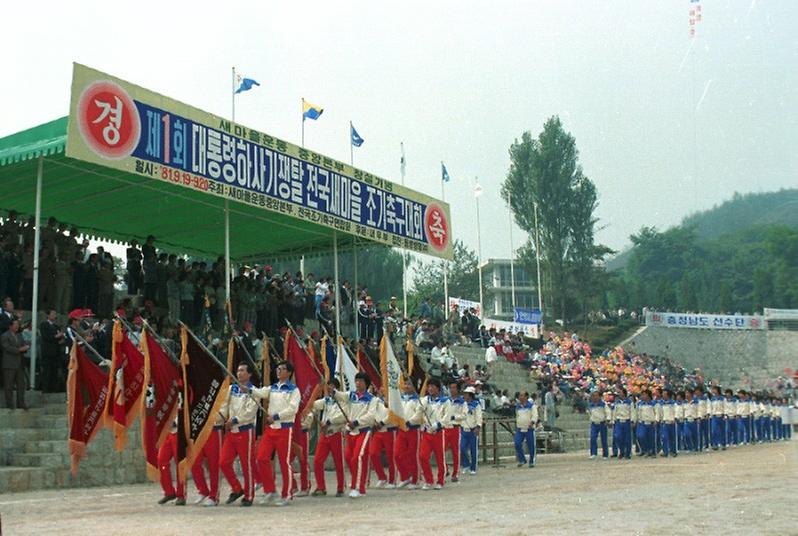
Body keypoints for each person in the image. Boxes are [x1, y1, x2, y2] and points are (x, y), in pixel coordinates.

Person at [253, 361, 301, 506]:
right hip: (271, 429)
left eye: (282, 369)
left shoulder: (294, 390)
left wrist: (276, 416)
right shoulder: (272, 388)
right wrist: (249, 389)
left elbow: (293, 409)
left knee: (284, 462)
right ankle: (270, 490)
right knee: (261, 457)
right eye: (278, 368)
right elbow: (260, 392)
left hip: (285, 428)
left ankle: (287, 494)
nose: (278, 371)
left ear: (289, 373)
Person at [219, 363, 261, 507]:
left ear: (249, 374)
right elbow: (224, 406)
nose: (239, 373)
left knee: (246, 465)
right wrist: (221, 418)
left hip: (245, 430)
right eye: (238, 370)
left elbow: (250, 412)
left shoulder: (254, 392)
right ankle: (237, 488)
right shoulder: (231, 389)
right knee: (223, 462)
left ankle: (249, 496)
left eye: (243, 370)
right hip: (231, 432)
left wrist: (235, 420)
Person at [334, 371, 379, 498]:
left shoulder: (372, 399)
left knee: (357, 458)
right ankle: (361, 483)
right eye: (356, 381)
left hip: (363, 431)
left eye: (361, 381)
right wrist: (333, 391)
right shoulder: (351, 395)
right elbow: (340, 396)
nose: (358, 383)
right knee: (349, 457)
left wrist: (357, 422)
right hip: (351, 432)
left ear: (366, 383)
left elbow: (370, 416)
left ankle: (356, 486)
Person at [307, 379, 346, 497]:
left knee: (338, 462)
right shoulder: (326, 400)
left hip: (336, 433)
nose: (329, 388)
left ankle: (341, 487)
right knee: (318, 461)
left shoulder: (343, 401)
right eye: (328, 386)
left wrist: (329, 422)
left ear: (337, 388)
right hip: (325, 435)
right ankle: (321, 487)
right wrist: (309, 399)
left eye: (332, 386)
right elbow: (313, 404)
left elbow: (343, 416)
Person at [418, 378, 448, 490]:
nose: (430, 389)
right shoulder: (424, 400)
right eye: (428, 386)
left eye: (432, 386)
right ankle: (428, 479)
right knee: (422, 456)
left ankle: (440, 480)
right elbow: (418, 414)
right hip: (426, 432)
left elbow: (447, 417)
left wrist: (438, 424)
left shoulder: (445, 401)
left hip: (438, 432)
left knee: (440, 457)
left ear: (438, 388)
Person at [191, 412, 224, 507]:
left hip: (214, 428)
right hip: (198, 429)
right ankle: (203, 490)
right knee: (193, 461)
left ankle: (214, 496)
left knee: (214, 464)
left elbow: (223, 412)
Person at [395, 379, 423, 489]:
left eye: (409, 384)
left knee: (413, 455)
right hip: (401, 430)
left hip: (413, 430)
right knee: (397, 454)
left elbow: (418, 414)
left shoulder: (418, 400)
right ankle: (405, 476)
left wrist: (409, 422)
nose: (406, 386)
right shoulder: (401, 399)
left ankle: (415, 480)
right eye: (405, 384)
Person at [370, 387, 398, 489]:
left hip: (389, 430)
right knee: (373, 453)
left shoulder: (393, 400)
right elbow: (372, 412)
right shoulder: (376, 401)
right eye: (380, 388)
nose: (381, 389)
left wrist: (383, 423)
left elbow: (393, 415)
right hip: (378, 431)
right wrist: (374, 422)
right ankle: (382, 477)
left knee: (391, 456)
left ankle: (392, 480)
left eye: (383, 388)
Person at [157, 415, 185, 505]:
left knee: (180, 464)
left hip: (179, 431)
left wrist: (175, 422)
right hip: (167, 432)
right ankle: (169, 492)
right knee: (161, 461)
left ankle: (181, 495)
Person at [2, 317, 29, 409]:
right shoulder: (5, 336)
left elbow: (23, 345)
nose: (17, 326)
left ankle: (21, 403)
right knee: (9, 385)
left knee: (21, 385)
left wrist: (25, 347)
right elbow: (7, 348)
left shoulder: (19, 335)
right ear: (10, 326)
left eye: (18, 325)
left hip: (19, 363)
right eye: (15, 325)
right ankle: (10, 404)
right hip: (9, 363)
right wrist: (19, 349)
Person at [442, 380, 467, 482]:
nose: (452, 390)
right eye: (450, 388)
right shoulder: (445, 401)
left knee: (455, 452)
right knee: (441, 450)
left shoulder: (462, 402)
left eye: (453, 388)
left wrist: (454, 417)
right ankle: (445, 469)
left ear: (458, 389)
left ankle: (455, 473)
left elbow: (464, 415)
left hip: (455, 428)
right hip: (445, 428)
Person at [39, 309, 64, 393]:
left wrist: (61, 339)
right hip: (47, 352)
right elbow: (46, 337)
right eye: (53, 314)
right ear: (48, 315)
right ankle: (45, 389)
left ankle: (53, 388)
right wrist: (56, 336)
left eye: (55, 314)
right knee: (47, 371)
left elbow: (59, 338)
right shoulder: (44, 325)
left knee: (54, 372)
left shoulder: (56, 326)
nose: (54, 315)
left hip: (56, 352)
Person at [460, 386, 482, 475]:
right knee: (461, 448)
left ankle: (473, 468)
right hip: (464, 429)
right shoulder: (462, 404)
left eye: (466, 394)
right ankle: (466, 465)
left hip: (473, 430)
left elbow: (479, 416)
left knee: (473, 450)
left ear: (470, 395)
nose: (464, 395)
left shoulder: (476, 405)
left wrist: (478, 426)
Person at [514, 391, 538, 467]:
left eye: (522, 396)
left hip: (529, 429)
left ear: (526, 397)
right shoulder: (518, 406)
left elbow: (535, 415)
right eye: (519, 396)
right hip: (520, 428)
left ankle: (532, 461)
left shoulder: (531, 406)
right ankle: (522, 459)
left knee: (531, 445)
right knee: (517, 443)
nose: (520, 397)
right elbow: (517, 416)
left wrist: (532, 422)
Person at [611, 387, 633, 460]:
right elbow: (614, 411)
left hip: (626, 421)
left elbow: (632, 412)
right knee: (618, 437)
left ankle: (628, 453)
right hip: (618, 421)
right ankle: (622, 451)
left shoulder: (629, 402)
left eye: (620, 392)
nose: (619, 394)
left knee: (627, 438)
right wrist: (613, 420)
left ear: (624, 393)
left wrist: (632, 420)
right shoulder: (617, 402)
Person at [588, 391, 610, 460]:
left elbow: (608, 412)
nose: (595, 397)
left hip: (602, 423)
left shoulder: (603, 404)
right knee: (593, 438)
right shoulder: (591, 405)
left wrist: (608, 419)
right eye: (594, 396)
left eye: (596, 395)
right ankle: (593, 453)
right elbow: (590, 413)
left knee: (604, 439)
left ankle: (605, 454)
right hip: (594, 423)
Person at [635, 390, 656, 458]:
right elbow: (637, 413)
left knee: (651, 438)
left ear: (648, 395)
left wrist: (656, 420)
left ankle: (652, 452)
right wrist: (636, 420)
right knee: (640, 436)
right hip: (642, 423)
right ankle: (645, 450)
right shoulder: (639, 404)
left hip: (650, 423)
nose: (642, 396)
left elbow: (657, 412)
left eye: (644, 394)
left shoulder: (653, 403)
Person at [659, 389, 677, 457]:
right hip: (664, 423)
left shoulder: (673, 403)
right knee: (664, 437)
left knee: (672, 438)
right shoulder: (661, 403)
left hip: (672, 422)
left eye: (664, 394)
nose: (663, 395)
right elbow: (660, 412)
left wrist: (674, 418)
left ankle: (673, 451)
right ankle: (665, 452)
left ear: (668, 395)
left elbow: (676, 411)